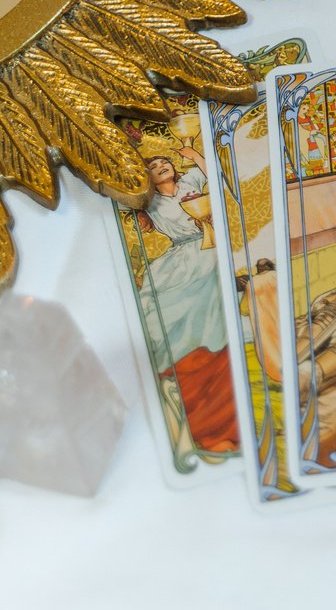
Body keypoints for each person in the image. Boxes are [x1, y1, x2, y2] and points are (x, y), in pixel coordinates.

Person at [135, 140, 239, 453]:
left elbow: (215, 174)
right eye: (152, 167)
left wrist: (193, 154)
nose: (160, 168)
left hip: (205, 246)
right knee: (155, 296)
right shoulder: (151, 203)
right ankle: (172, 359)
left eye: (164, 162)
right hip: (180, 254)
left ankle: (207, 351)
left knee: (206, 291)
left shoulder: (188, 183)